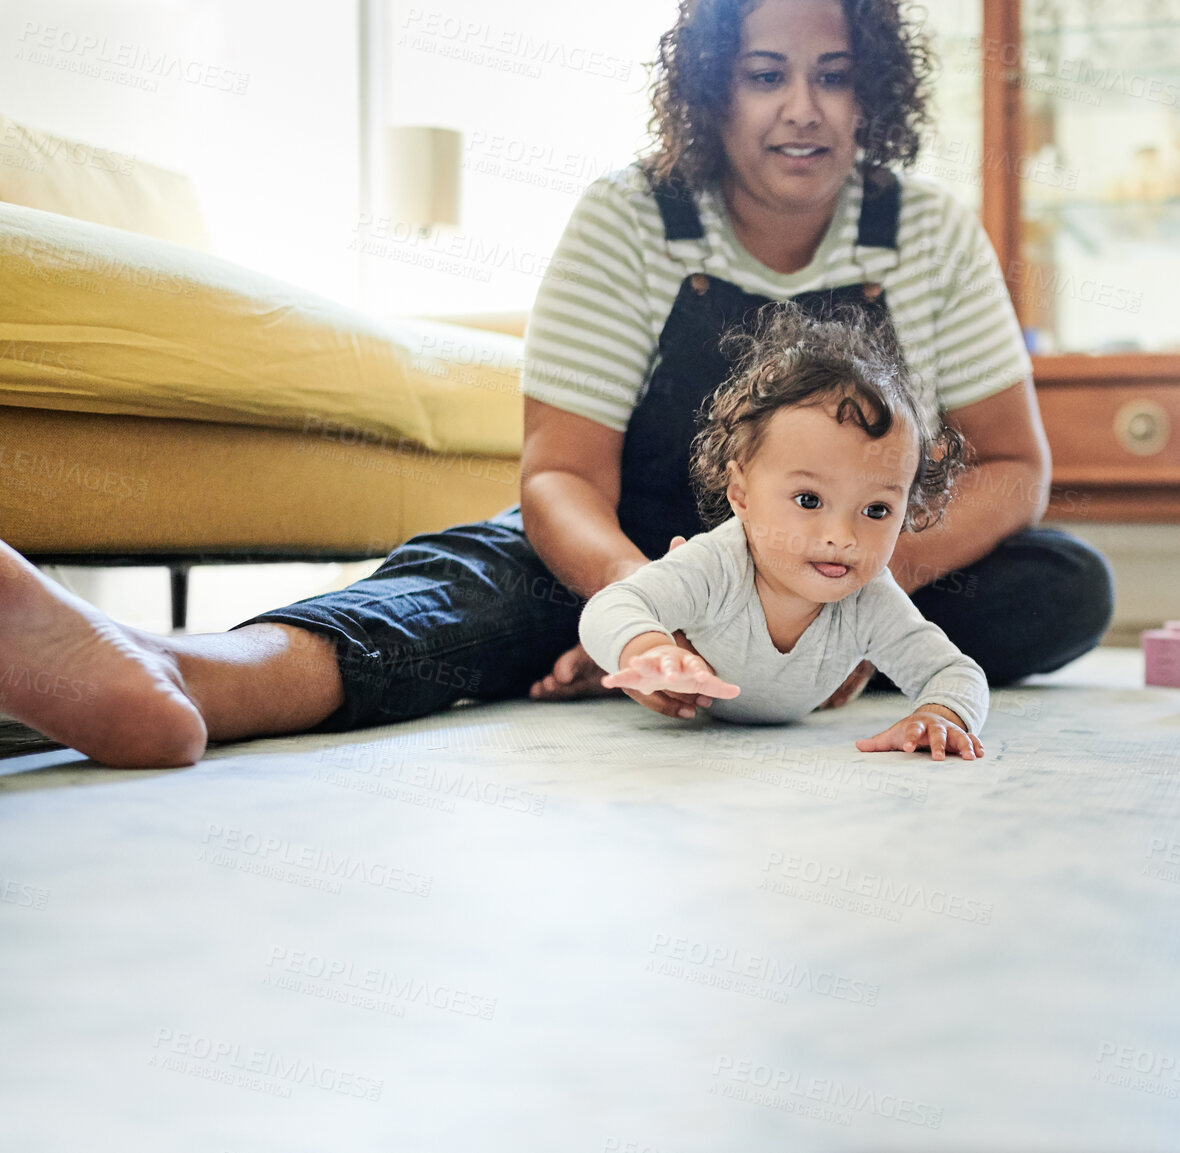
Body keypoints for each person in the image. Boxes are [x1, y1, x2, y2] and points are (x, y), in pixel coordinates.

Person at [0, 0, 1113, 769]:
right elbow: (558, 476)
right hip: (632, 548)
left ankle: (688, 653)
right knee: (465, 595)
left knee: (1062, 583)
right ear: (712, 91)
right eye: (765, 75)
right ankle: (179, 674)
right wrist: (648, 617)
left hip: (849, 559)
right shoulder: (627, 216)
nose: (802, 109)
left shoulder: (930, 231)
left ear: (875, 91)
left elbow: (1013, 466)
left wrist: (846, 594)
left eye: (833, 76)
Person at [582, 303, 988, 759]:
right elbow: (610, 605)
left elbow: (956, 673)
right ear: (741, 495)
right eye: (809, 500)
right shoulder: (717, 564)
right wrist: (650, 649)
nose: (841, 537)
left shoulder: (869, 598)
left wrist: (940, 714)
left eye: (876, 510)